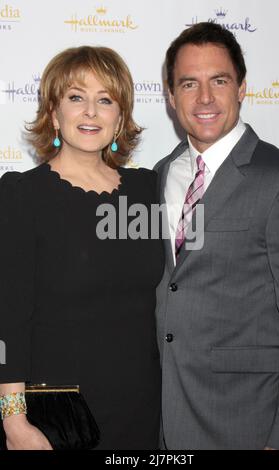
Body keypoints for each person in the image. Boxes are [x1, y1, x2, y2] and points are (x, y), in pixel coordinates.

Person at [0, 45, 164, 450]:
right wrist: (15, 423)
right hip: (58, 420)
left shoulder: (148, 190)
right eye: (76, 97)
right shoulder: (22, 196)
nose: (91, 112)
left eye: (105, 100)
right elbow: (8, 320)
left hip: (143, 412)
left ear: (120, 117)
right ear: (54, 114)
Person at [154, 22, 279, 450]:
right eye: (188, 84)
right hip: (166, 418)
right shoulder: (160, 175)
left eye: (219, 81)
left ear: (241, 88)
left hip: (248, 422)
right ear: (169, 95)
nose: (204, 98)